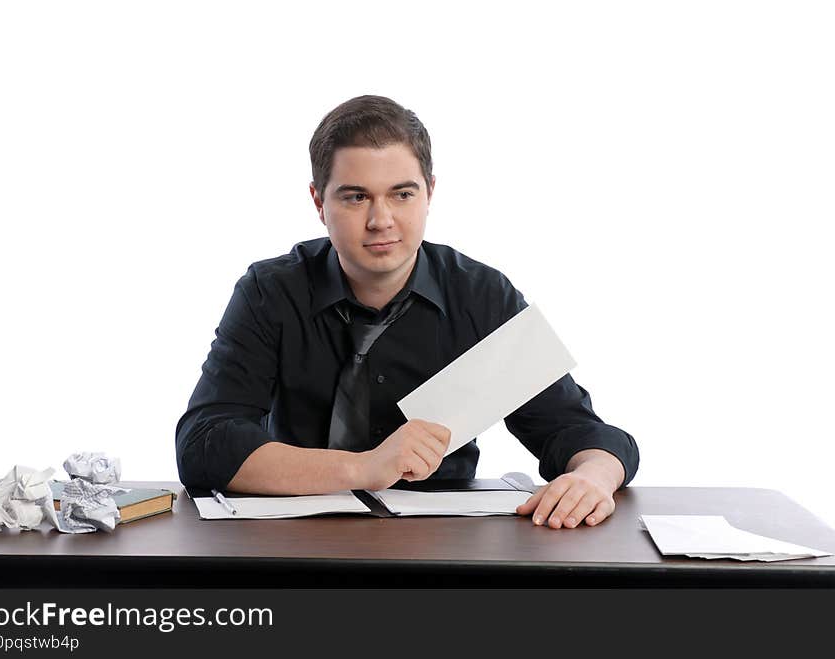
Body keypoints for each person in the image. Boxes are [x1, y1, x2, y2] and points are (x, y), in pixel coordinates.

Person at [175, 95, 639, 529]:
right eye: (356, 197)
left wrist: (595, 477)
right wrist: (363, 467)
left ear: (430, 192)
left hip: (439, 551)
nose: (381, 220)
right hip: (295, 541)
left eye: (402, 194)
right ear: (319, 202)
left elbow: (574, 429)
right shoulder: (270, 292)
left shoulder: (481, 295)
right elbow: (204, 444)